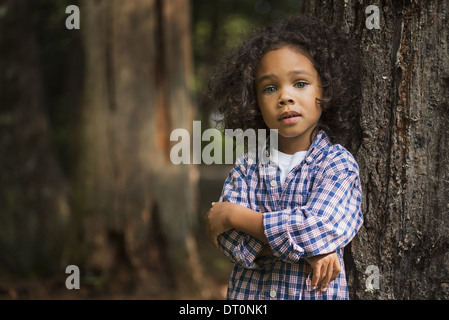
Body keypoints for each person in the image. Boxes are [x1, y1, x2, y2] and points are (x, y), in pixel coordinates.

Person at [205, 14, 364, 300]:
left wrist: (234, 215)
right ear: (254, 102)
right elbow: (230, 241)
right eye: (270, 88)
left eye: (300, 83)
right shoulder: (247, 165)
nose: (285, 97)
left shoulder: (337, 164)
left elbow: (320, 228)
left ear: (325, 91)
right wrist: (309, 251)